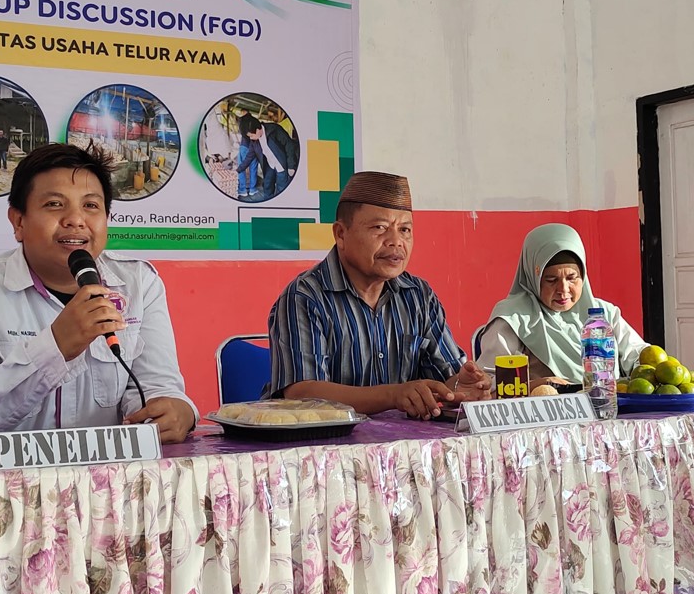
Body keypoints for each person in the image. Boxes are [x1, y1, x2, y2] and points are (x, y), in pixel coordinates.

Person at [0, 142, 197, 446]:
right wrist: (55, 347)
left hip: (109, 483)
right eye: (55, 204)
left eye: (91, 206)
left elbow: (157, 387)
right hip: (5, 485)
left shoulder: (138, 282)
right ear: (18, 222)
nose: (76, 219)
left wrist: (177, 412)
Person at [266, 171, 491, 418]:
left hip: (402, 450)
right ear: (341, 234)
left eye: (405, 230)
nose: (396, 242)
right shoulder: (305, 296)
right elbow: (301, 393)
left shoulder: (418, 296)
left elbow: (445, 380)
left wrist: (460, 387)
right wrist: (394, 396)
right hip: (326, 448)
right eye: (379, 228)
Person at [474, 223, 647, 384]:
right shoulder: (512, 319)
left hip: (606, 407)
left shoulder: (603, 314)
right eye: (551, 280)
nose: (563, 289)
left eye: (572, 278)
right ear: (534, 278)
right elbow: (488, 381)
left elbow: (639, 355)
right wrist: (534, 386)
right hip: (542, 414)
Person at [239, 115, 298, 198]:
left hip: (282, 165)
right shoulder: (254, 141)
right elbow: (249, 156)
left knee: (281, 188)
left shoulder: (275, 130)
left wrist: (291, 166)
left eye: (251, 136)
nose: (251, 138)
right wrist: (239, 169)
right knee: (267, 186)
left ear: (257, 130)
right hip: (269, 166)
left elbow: (289, 146)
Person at [234, 132, 263, 199]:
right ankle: (252, 189)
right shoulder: (255, 127)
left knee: (242, 168)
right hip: (253, 146)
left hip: (244, 146)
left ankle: (242, 190)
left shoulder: (243, 124)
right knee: (253, 168)